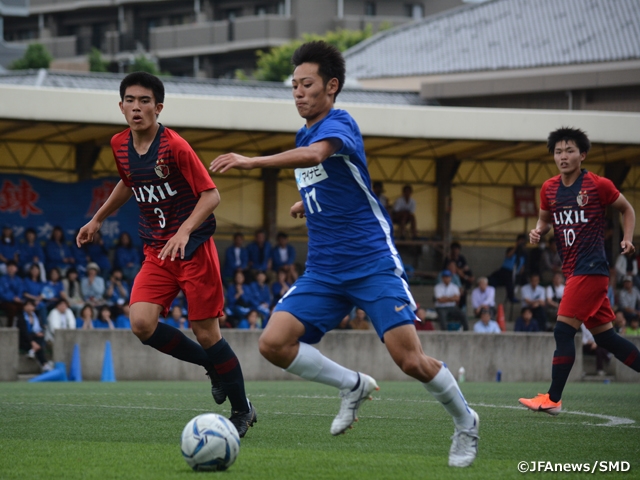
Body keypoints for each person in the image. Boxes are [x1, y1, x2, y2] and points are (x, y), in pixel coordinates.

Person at [210, 41, 478, 467]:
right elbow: (325, 175)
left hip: (370, 261)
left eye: (307, 84)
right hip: (324, 268)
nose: (298, 92)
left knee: (410, 360)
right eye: (294, 85)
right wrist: (306, 202)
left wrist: (250, 161)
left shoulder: (340, 122)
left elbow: (317, 155)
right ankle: (352, 385)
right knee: (273, 343)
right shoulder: (305, 132)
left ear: (331, 87)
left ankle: (466, 423)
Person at [76, 71, 255, 436]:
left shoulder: (175, 147)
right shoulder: (119, 144)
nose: (137, 107)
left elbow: (211, 195)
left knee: (206, 331)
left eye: (145, 101)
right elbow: (128, 183)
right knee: (141, 323)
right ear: (121, 105)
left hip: (193, 249)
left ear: (158, 108)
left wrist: (184, 231)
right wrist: (96, 219)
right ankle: (211, 365)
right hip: (156, 250)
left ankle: (243, 410)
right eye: (130, 100)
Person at [519, 127, 640, 416]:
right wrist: (537, 232)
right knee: (606, 338)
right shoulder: (549, 188)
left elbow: (627, 209)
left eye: (569, 150)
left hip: (592, 269)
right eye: (558, 151)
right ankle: (553, 398)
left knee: (563, 331)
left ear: (582, 155)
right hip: (574, 270)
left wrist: (627, 238)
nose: (563, 156)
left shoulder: (598, 185)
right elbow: (544, 221)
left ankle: (553, 399)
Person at [16, 299, 53, 371]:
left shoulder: (37, 317)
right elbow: (23, 332)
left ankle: (33, 350)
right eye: (27, 305)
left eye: (31, 305)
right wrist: (32, 342)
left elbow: (40, 328)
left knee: (40, 337)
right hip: (25, 340)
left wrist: (39, 334)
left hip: (35, 339)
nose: (29, 307)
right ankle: (44, 364)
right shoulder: (20, 317)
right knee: (38, 344)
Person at [488, 235, 527, 302]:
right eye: (521, 240)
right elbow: (508, 255)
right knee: (492, 279)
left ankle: (511, 297)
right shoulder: (511, 249)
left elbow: (522, 267)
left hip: (514, 273)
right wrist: (516, 246)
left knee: (511, 281)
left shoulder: (524, 254)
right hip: (505, 270)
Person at [0, 260, 24, 326]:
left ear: (16, 269)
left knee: (22, 307)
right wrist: (12, 298)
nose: (11, 268)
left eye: (13, 267)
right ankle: (10, 327)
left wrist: (18, 297)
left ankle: (22, 328)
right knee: (12, 308)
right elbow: (1, 293)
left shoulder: (18, 279)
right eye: (9, 266)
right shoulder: (2, 279)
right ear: (7, 268)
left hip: (16, 301)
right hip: (4, 301)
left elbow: (20, 290)